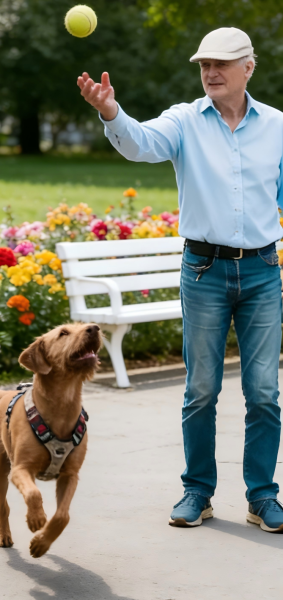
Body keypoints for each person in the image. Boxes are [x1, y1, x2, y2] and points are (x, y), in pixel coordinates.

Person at [77, 27, 283, 532]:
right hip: (204, 271)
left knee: (263, 392)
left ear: (248, 69)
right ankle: (198, 492)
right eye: (204, 65)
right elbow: (140, 143)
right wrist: (110, 112)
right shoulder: (185, 120)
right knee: (202, 389)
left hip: (262, 270)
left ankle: (261, 497)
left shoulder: (278, 125)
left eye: (222, 64)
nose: (211, 72)